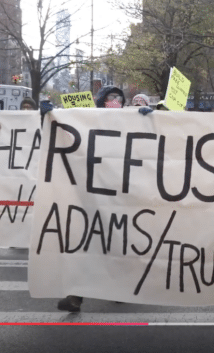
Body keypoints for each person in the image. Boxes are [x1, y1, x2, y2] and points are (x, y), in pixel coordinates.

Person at [55, 86, 126, 313]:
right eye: (110, 98)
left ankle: (121, 287)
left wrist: (148, 119)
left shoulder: (129, 122)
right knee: (88, 245)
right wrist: (47, 117)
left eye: (118, 98)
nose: (114, 102)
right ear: (101, 101)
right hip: (92, 196)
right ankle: (76, 296)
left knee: (116, 245)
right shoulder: (88, 123)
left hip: (122, 197)